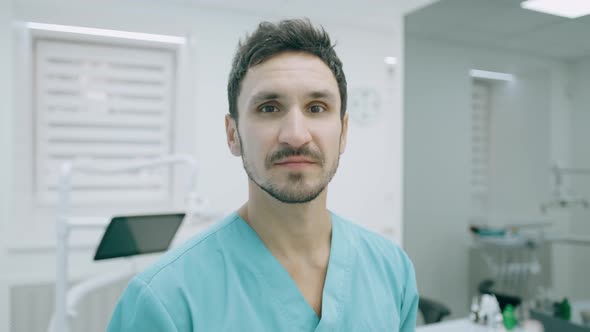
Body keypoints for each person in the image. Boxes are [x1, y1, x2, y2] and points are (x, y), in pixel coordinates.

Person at [107, 18, 418, 331]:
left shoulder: (393, 272)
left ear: (344, 132)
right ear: (233, 134)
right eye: (269, 108)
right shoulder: (164, 301)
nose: (296, 135)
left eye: (316, 108)